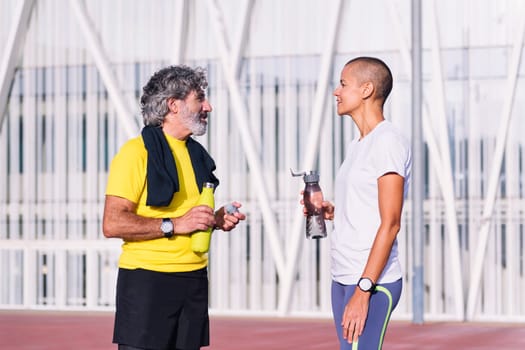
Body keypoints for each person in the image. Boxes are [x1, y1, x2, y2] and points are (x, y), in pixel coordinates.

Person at [102, 65, 246, 350]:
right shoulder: (135, 153)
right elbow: (113, 223)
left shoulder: (198, 156)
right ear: (174, 104)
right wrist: (174, 224)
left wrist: (214, 220)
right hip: (147, 281)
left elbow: (190, 219)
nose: (209, 106)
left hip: (193, 280)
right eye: (200, 98)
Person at [307, 57, 412, 349]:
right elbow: (368, 208)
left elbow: (390, 224)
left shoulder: (387, 142)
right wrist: (333, 212)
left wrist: (364, 289)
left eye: (343, 84)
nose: (336, 92)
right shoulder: (358, 145)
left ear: (366, 89)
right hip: (342, 275)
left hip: (370, 280)